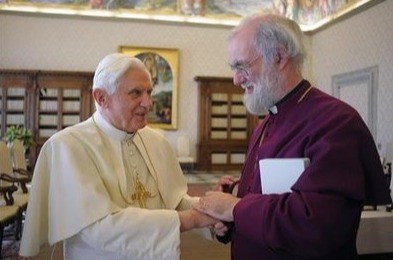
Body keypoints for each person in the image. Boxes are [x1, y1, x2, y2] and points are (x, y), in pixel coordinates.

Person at [195, 14, 392, 259]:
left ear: (279, 56)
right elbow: (262, 209)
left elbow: (319, 224)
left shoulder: (336, 122)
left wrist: (235, 208)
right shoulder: (265, 123)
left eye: (242, 66)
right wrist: (228, 220)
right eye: (233, 68)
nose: (236, 79)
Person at [19, 53, 219, 259]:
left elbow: (174, 201)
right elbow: (98, 228)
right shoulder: (68, 146)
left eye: (149, 92)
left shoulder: (157, 141)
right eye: (136, 93)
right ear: (102, 98)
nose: (148, 103)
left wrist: (211, 210)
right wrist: (191, 219)